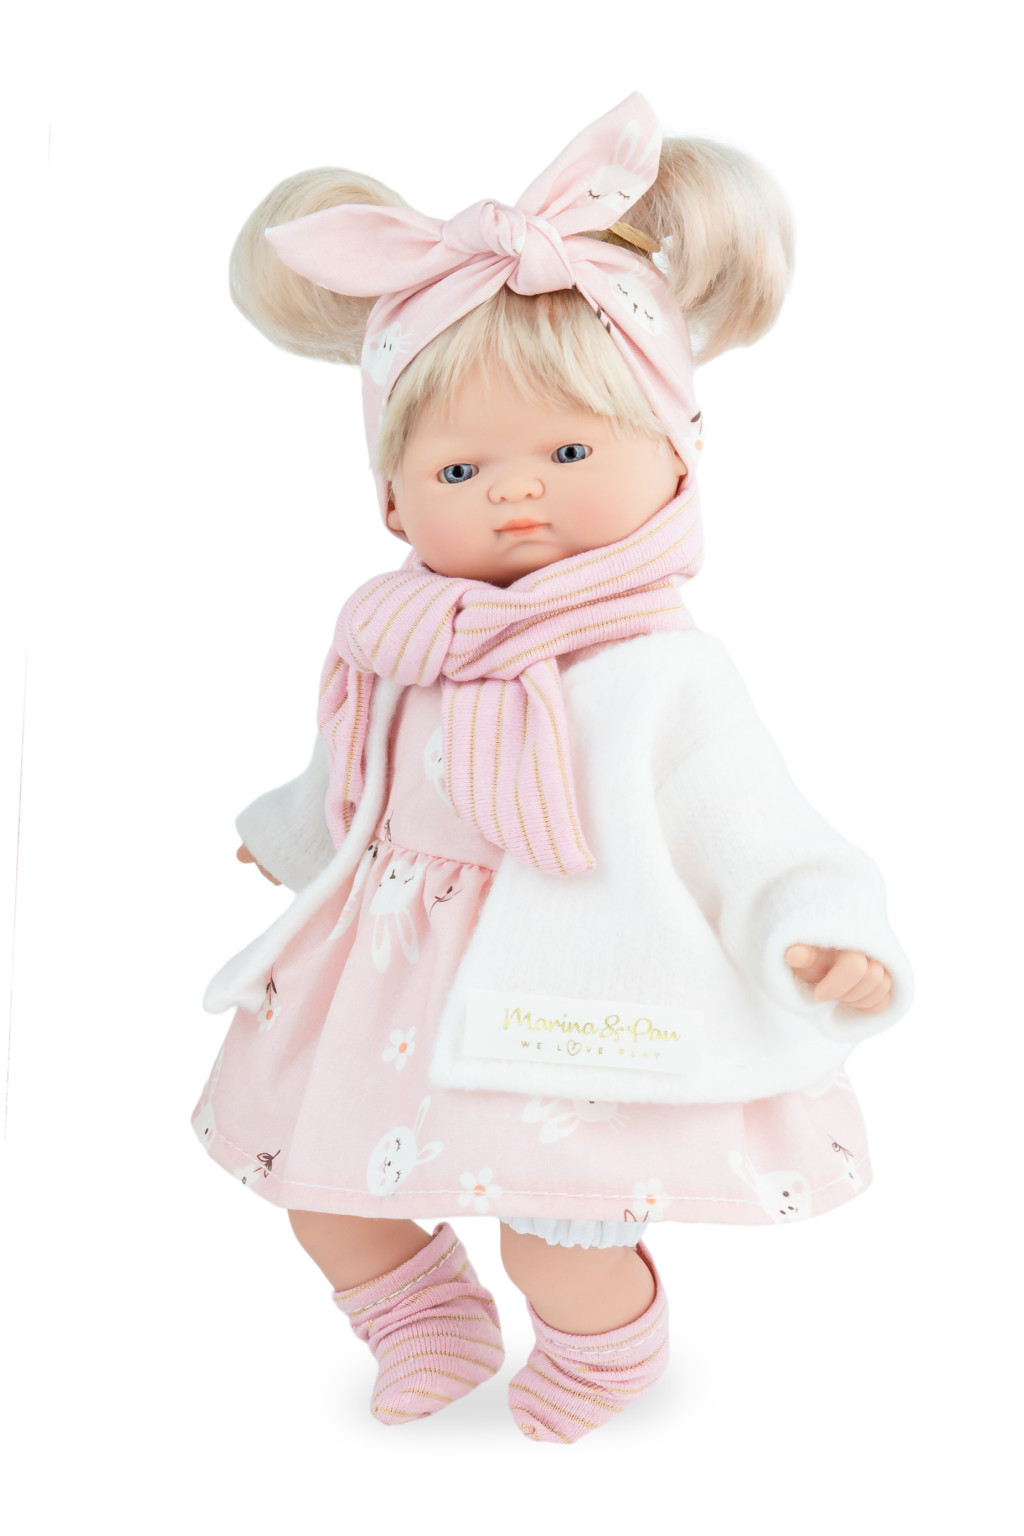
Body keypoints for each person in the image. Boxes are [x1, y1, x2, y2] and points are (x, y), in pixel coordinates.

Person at [194, 92, 913, 1444]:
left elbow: (750, 823)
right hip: (390, 975)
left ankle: (602, 1348)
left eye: (571, 450)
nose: (515, 490)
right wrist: (293, 832)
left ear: (677, 459)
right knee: (323, 1193)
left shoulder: (661, 672)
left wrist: (820, 931)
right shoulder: (401, 643)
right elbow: (360, 779)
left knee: (560, 1227)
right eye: (461, 466)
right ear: (393, 499)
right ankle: (423, 1320)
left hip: (575, 981)